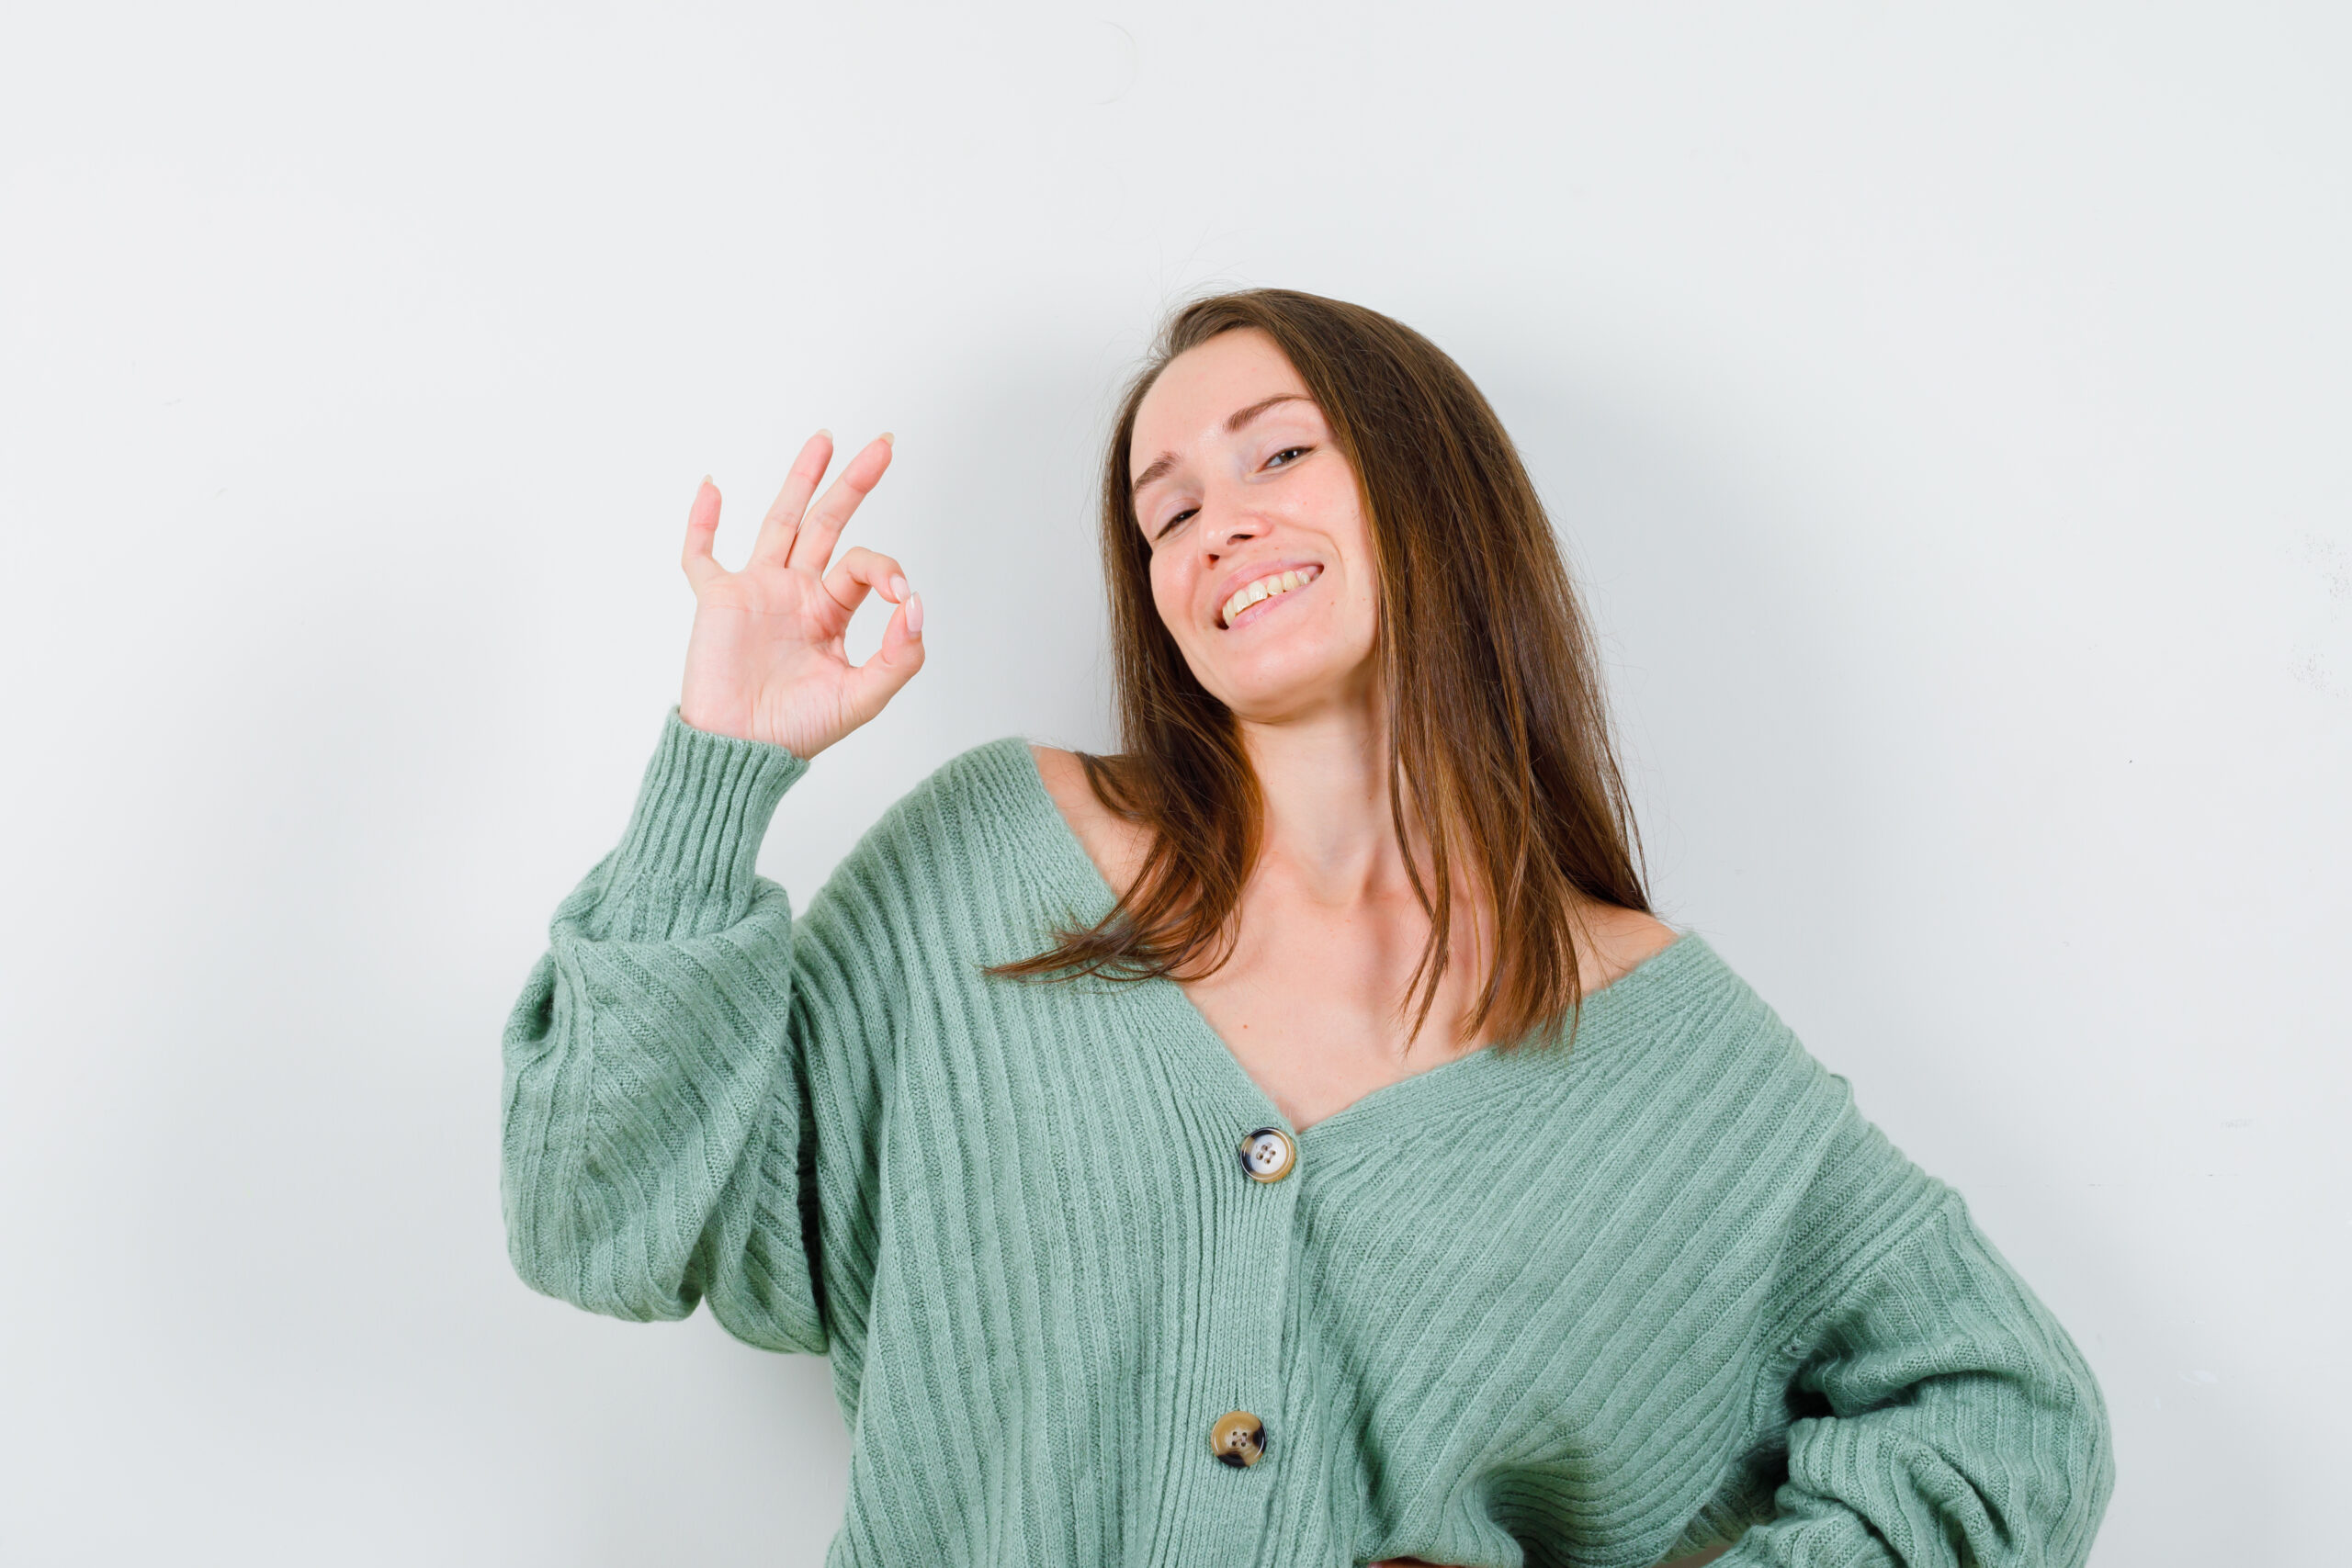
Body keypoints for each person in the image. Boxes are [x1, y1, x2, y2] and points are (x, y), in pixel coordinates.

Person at [500, 288, 2115, 1567]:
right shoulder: (998, 857)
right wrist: (720, 768)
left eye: (1281, 455)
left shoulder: (1667, 1044)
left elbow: (2010, 1419)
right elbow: (599, 1216)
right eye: (1167, 509)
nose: (1218, 526)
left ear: (1432, 492)